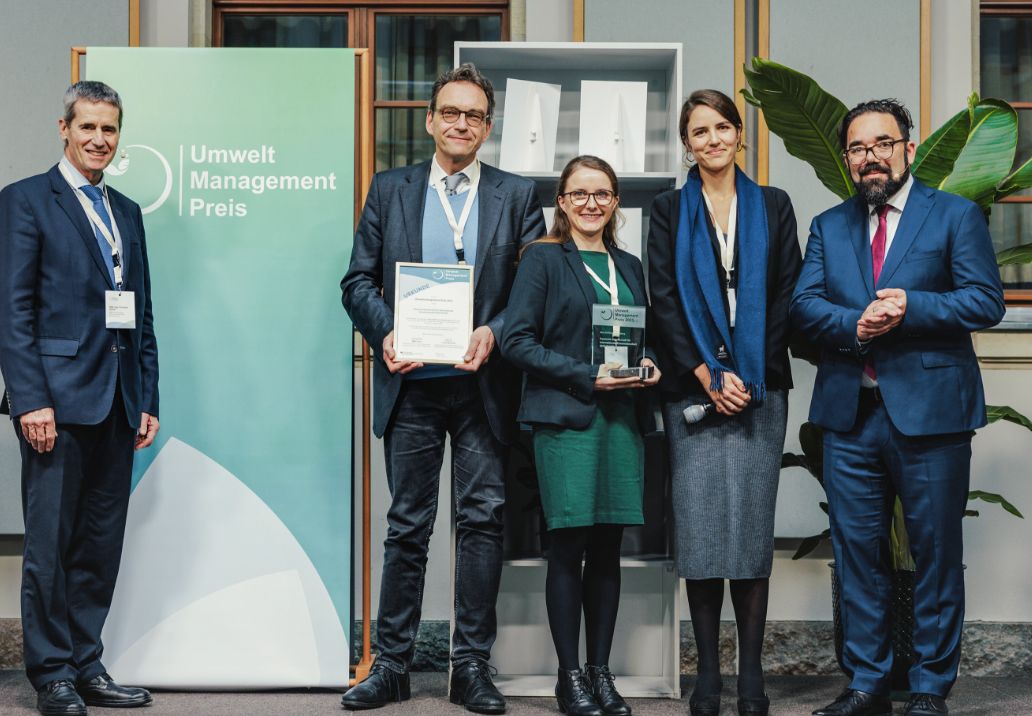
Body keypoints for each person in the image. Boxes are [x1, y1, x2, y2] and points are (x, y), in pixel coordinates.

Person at [340, 63, 546, 714]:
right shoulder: (391, 190)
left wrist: (494, 330)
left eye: (475, 115)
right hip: (413, 383)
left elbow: (533, 292)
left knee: (482, 522)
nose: (461, 124)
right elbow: (357, 283)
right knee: (407, 526)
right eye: (450, 112)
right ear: (430, 121)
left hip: (483, 384)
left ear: (489, 127)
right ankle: (391, 665)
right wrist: (387, 335)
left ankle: (471, 669)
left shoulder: (517, 195)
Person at [791, 99, 1005, 716]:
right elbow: (805, 305)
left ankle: (931, 687)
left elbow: (984, 301)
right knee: (858, 553)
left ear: (908, 150)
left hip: (932, 414)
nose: (870, 157)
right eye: (858, 149)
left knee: (936, 552)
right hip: (850, 417)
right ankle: (867, 681)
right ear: (848, 159)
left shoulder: (954, 216)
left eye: (883, 143)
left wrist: (911, 306)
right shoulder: (829, 226)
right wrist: (856, 323)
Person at [0, 81, 159, 716]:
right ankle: (51, 674)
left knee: (98, 545)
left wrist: (146, 394)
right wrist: (30, 400)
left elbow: (142, 314)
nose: (99, 139)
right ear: (62, 128)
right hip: (55, 406)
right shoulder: (26, 202)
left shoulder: (126, 211)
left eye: (110, 129)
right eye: (87, 127)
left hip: (117, 402)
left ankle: (86, 663)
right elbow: (13, 313)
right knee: (49, 548)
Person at [646, 90, 802, 716]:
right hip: (693, 390)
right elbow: (663, 299)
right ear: (687, 142)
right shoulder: (667, 209)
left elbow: (786, 292)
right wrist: (709, 373)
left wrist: (744, 372)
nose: (711, 139)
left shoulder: (774, 205)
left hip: (760, 385)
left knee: (750, 531)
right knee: (705, 530)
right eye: (698, 131)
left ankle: (752, 674)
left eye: (721, 127)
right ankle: (708, 672)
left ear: (740, 133)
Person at [501, 155, 659, 716]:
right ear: (562, 203)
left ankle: (601, 672)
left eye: (603, 193)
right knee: (568, 547)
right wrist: (583, 374)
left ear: (616, 202)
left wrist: (653, 365)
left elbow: (647, 336)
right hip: (567, 419)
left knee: (610, 550)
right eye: (579, 194)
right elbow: (515, 342)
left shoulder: (630, 264)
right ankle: (569, 678)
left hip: (623, 422)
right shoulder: (541, 261)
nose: (592, 203)